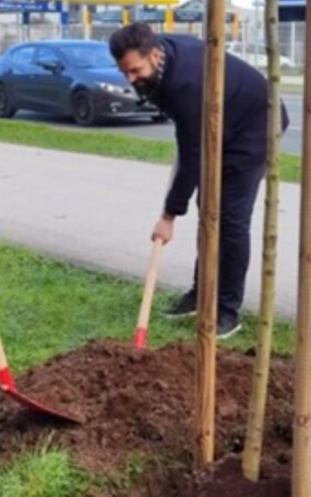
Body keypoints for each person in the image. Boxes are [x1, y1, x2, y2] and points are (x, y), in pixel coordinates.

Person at [109, 23, 288, 338]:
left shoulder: (186, 84)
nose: (131, 79)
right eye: (125, 72)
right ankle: (201, 292)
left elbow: (193, 155)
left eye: (135, 71)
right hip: (221, 122)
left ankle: (228, 311)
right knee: (208, 210)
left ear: (154, 54)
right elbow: (192, 140)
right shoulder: (160, 56)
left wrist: (168, 216)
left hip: (256, 126)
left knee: (230, 219)